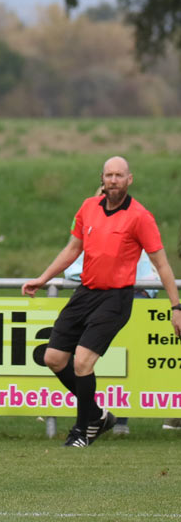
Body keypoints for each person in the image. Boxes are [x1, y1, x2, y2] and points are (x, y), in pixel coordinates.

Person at [22, 156, 181, 447]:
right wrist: (43, 278)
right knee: (53, 358)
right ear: (102, 179)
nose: (114, 180)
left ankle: (81, 431)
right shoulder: (87, 207)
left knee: (82, 361)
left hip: (116, 298)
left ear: (129, 179)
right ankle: (97, 415)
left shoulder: (140, 216)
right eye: (109, 175)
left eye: (119, 175)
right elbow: (72, 249)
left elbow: (162, 264)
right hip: (85, 293)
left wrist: (176, 307)